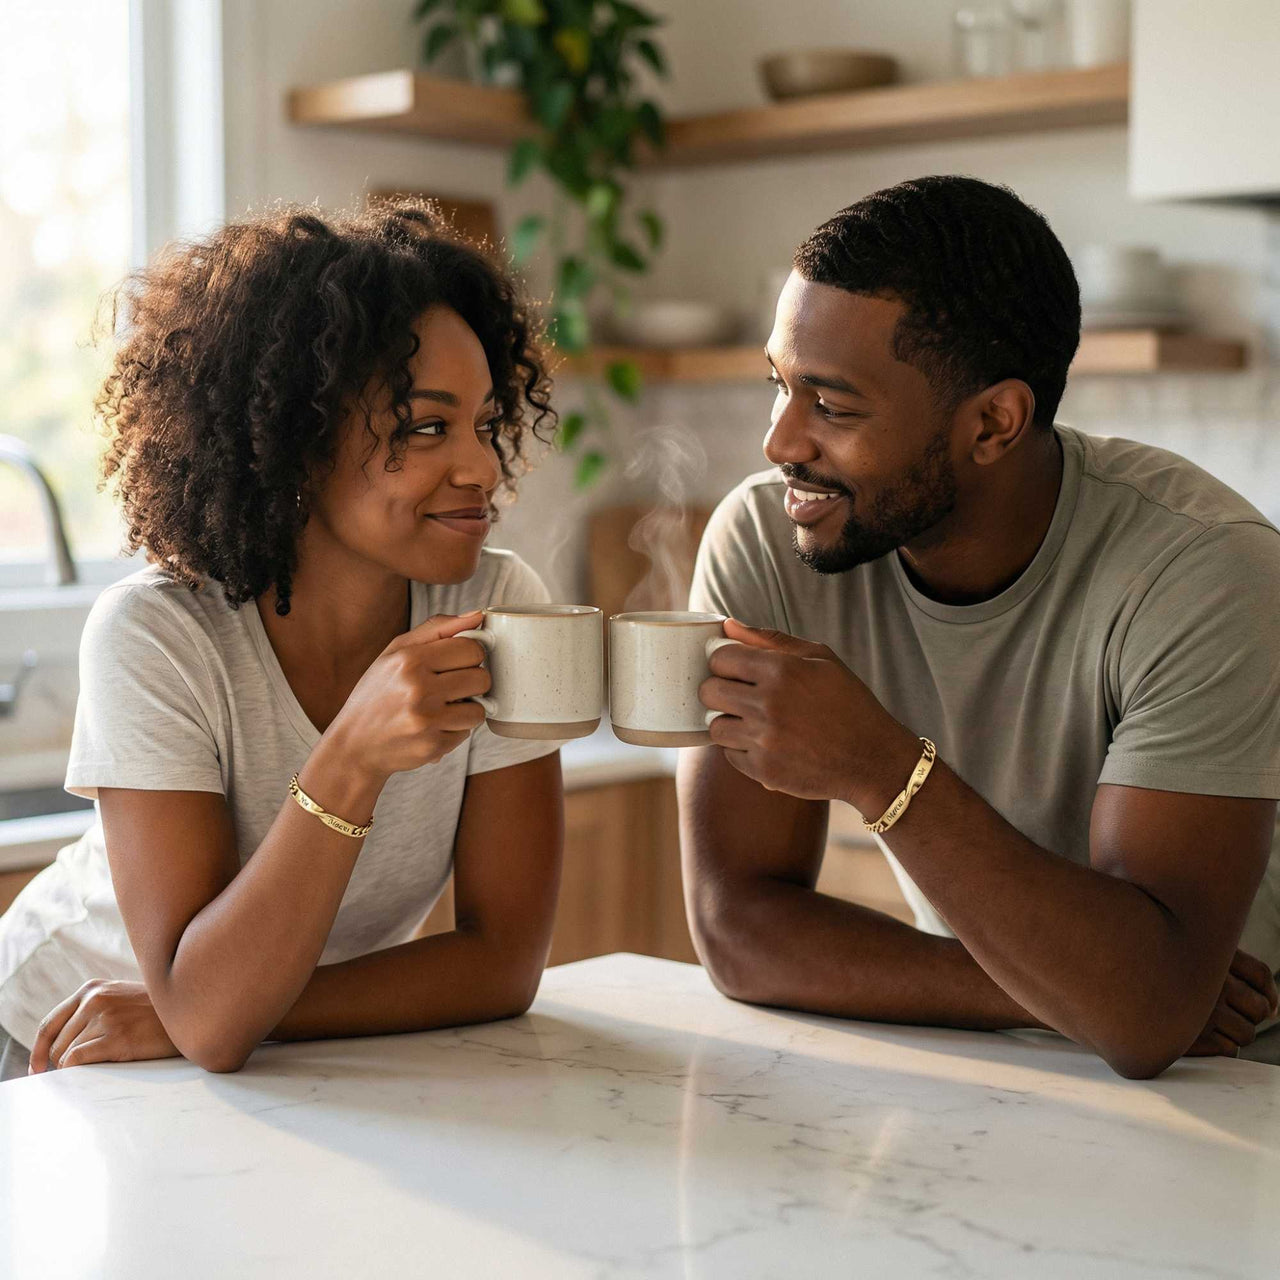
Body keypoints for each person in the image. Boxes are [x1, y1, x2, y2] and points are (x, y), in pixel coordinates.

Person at [683, 176, 1280, 1079]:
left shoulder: (1204, 572)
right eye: (779, 386)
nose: (780, 443)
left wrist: (880, 766)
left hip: (1243, 1083)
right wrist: (1072, 993)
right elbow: (738, 934)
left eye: (832, 406)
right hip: (1002, 1063)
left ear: (995, 423)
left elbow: (1149, 1022)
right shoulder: (771, 541)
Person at [0, 203, 565, 1081]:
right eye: (426, 427)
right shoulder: (157, 635)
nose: (484, 467)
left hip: (234, 1043)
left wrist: (216, 1013)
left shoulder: (495, 605)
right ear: (299, 441)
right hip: (54, 1042)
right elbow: (210, 1017)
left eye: (486, 423)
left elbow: (501, 963)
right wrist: (352, 755)